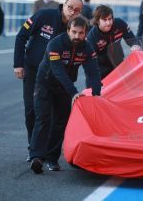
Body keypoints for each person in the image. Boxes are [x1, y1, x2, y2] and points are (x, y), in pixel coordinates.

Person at [13, 0, 83, 160]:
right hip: (32, 70)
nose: (73, 11)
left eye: (77, 9)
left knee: (53, 116)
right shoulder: (44, 16)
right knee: (31, 111)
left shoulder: (77, 28)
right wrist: (18, 64)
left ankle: (48, 152)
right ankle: (34, 149)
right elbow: (21, 36)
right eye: (70, 7)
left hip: (58, 76)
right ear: (64, 5)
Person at [30, 16, 101, 174]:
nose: (77, 36)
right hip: (45, 84)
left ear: (85, 33)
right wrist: (74, 92)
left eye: (81, 33)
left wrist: (96, 94)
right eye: (74, 32)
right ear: (68, 31)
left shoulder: (88, 48)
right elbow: (58, 71)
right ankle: (36, 157)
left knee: (60, 122)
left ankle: (52, 159)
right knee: (43, 118)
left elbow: (93, 72)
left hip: (64, 88)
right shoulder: (54, 44)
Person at [87, 5, 141, 79]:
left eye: (110, 19)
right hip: (102, 71)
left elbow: (133, 39)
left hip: (119, 66)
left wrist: (135, 45)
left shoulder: (120, 24)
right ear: (97, 21)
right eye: (104, 20)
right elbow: (90, 63)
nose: (108, 23)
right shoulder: (92, 37)